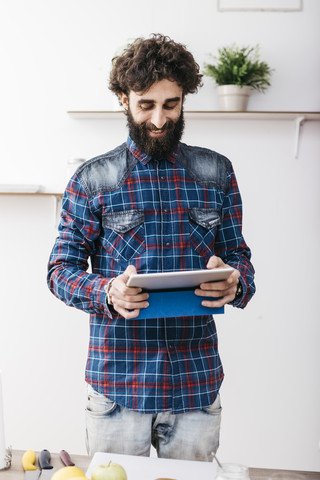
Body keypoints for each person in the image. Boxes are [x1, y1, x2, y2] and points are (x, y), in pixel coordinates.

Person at [47, 34, 255, 462]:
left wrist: (236, 283)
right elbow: (59, 270)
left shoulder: (217, 173)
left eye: (171, 104)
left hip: (195, 385)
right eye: (146, 105)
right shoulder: (92, 179)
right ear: (124, 100)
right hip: (118, 389)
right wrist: (106, 291)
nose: (159, 119)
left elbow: (240, 260)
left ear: (184, 100)